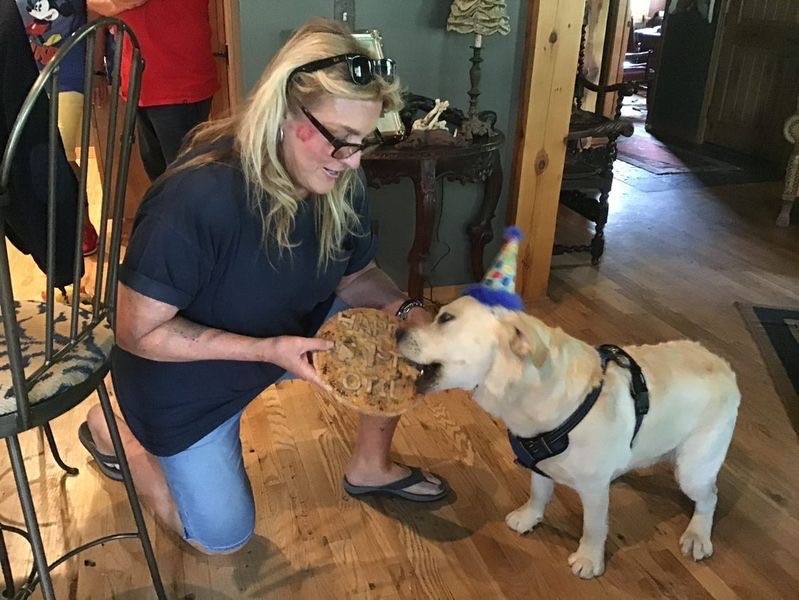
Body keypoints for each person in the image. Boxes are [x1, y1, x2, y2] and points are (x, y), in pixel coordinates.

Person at [78, 18, 448, 555]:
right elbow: (136, 332)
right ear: (283, 112)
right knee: (222, 539)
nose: (354, 160)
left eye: (365, 142)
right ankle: (119, 430)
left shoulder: (341, 178)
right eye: (340, 141)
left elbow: (358, 274)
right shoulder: (200, 197)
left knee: (398, 341)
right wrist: (267, 351)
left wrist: (409, 307)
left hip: (283, 336)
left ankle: (371, 466)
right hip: (186, 382)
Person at [87, 0, 219, 180]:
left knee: (183, 181)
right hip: (144, 83)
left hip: (177, 82)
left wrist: (102, 5)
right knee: (161, 179)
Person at [15, 0, 106, 256]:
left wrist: (97, 69)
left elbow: (96, 15)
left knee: (61, 155)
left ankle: (80, 223)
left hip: (70, 73)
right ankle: (56, 227)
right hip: (26, 77)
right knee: (40, 159)